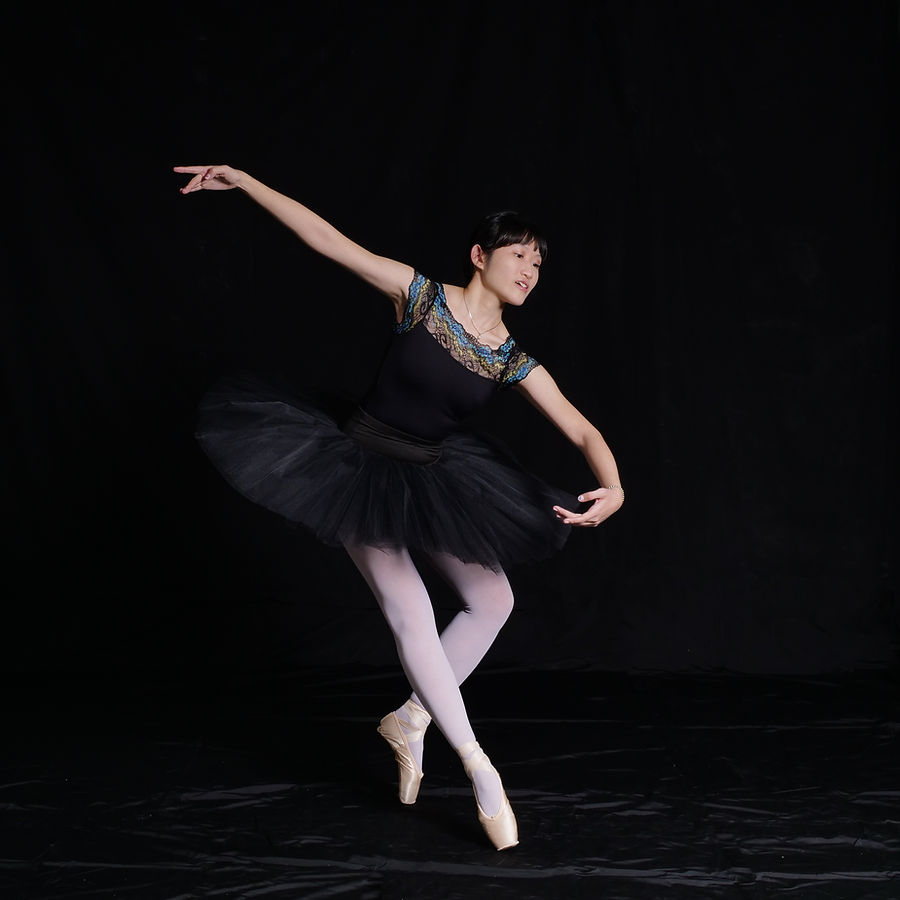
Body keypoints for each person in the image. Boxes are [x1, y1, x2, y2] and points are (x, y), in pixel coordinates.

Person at [173, 164, 625, 851]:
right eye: (519, 255)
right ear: (480, 256)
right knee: (408, 609)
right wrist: (246, 182)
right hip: (357, 465)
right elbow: (328, 240)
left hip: (432, 475)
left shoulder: (509, 358)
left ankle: (412, 718)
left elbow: (583, 430)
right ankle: (478, 766)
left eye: (539, 263)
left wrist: (614, 486)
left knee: (494, 600)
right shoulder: (419, 296)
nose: (531, 270)